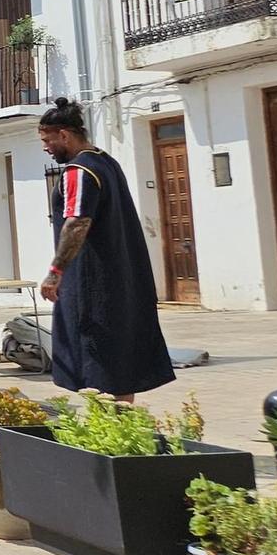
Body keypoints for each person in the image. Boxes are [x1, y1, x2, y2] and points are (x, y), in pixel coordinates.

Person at [39, 96, 175, 401]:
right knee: (118, 369)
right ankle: (121, 429)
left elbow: (77, 223)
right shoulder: (106, 163)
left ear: (65, 135)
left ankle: (107, 437)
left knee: (95, 366)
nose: (46, 148)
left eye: (48, 140)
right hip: (123, 281)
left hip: (93, 286)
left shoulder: (79, 172)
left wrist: (55, 272)